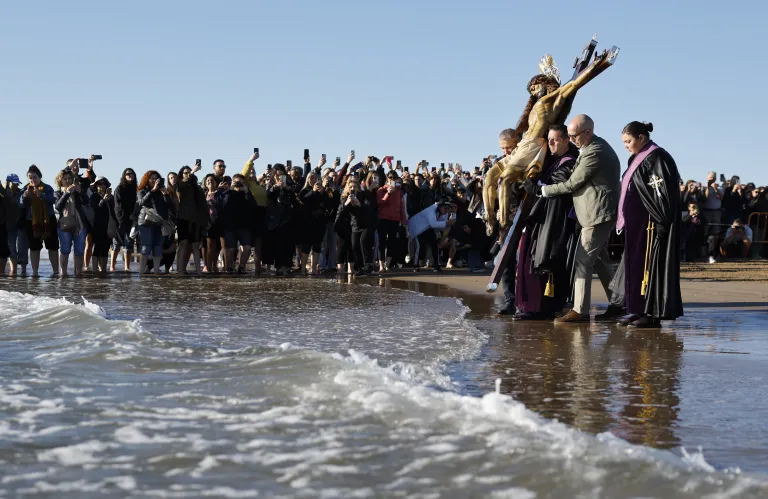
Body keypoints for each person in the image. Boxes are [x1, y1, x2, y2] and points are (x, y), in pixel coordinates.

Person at [524, 114, 621, 323]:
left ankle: (580, 311)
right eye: (569, 135)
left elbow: (571, 184)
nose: (572, 140)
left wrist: (541, 191)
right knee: (601, 262)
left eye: (574, 136)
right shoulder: (591, 147)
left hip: (596, 214)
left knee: (582, 261)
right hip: (593, 214)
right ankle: (620, 303)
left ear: (588, 132)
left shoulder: (595, 152)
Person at [615, 121, 683, 328]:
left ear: (642, 138)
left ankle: (651, 312)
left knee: (649, 266)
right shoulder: (636, 158)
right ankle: (636, 308)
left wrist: (662, 220)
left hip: (652, 224)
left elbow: (662, 193)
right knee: (635, 266)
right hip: (637, 225)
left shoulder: (657, 158)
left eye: (628, 141)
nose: (625, 145)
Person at [514, 124, 578, 320]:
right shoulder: (553, 162)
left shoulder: (569, 163)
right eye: (549, 139)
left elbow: (557, 188)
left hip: (554, 221)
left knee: (545, 261)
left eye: (555, 139)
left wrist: (535, 187)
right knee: (529, 259)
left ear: (566, 140)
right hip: (541, 219)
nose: (550, 143)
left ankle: (540, 307)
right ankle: (528, 305)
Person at [20, 165, 60, 277]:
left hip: (48, 220)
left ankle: (56, 272)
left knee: (52, 246)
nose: (33, 180)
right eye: (30, 177)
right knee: (34, 247)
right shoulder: (25, 188)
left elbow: (53, 200)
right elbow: (21, 205)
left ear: (40, 177)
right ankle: (35, 272)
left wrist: (41, 195)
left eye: (35, 177)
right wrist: (24, 197)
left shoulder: (47, 188)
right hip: (32, 221)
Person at [54, 169, 89, 277]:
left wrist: (80, 192)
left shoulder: (78, 190)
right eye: (65, 179)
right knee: (65, 249)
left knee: (79, 250)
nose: (68, 180)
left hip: (79, 224)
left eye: (69, 178)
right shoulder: (58, 192)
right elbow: (58, 207)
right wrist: (66, 193)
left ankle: (78, 273)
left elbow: (86, 202)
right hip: (64, 224)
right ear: (60, 181)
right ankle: (63, 273)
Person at [137, 170, 174, 275]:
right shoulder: (142, 191)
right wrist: (152, 190)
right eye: (152, 178)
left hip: (160, 222)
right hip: (146, 222)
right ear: (147, 180)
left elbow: (170, 205)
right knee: (146, 247)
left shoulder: (162, 191)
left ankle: (156, 272)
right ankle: (141, 272)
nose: (154, 180)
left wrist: (166, 194)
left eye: (156, 178)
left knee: (158, 247)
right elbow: (141, 202)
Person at [407, 201, 456, 272]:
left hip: (428, 228)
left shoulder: (444, 213)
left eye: (448, 209)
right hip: (417, 228)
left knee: (435, 245)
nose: (447, 210)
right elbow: (433, 223)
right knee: (420, 246)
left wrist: (448, 224)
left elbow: (441, 226)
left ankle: (437, 265)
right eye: (445, 208)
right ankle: (415, 265)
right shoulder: (431, 210)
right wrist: (446, 223)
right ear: (439, 207)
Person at [376, 170, 407, 273]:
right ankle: (381, 265)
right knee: (382, 242)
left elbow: (401, 207)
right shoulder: (381, 190)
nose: (392, 180)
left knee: (392, 242)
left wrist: (404, 221)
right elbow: (380, 203)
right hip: (383, 218)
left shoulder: (399, 191)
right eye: (390, 178)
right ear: (387, 178)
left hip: (395, 219)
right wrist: (388, 193)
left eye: (394, 178)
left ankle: (387, 265)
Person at [110, 168, 137, 272]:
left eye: (132, 174)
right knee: (116, 244)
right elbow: (117, 206)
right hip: (120, 221)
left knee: (129, 244)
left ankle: (127, 266)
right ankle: (112, 266)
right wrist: (120, 220)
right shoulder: (119, 188)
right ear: (124, 176)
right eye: (128, 174)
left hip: (131, 220)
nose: (130, 175)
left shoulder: (135, 188)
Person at [89, 176, 117, 275]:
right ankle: (95, 270)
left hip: (108, 225)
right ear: (96, 186)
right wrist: (103, 200)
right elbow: (95, 209)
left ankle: (103, 270)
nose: (102, 185)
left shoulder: (111, 197)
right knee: (97, 247)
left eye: (104, 183)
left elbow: (114, 211)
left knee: (105, 248)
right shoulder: (94, 196)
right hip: (97, 226)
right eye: (99, 184)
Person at [2, 175, 27, 276]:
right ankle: (9, 271)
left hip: (18, 225)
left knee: (18, 249)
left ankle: (19, 271)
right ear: (8, 182)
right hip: (7, 225)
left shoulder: (20, 192)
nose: (16, 185)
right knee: (9, 249)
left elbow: (22, 205)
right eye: (14, 183)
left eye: (17, 183)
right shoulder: (3, 193)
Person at [702, 171, 724, 263]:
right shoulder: (703, 186)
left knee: (715, 233)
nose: (711, 179)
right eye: (710, 178)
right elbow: (705, 198)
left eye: (713, 178)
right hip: (706, 211)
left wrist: (716, 189)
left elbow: (721, 197)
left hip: (716, 212)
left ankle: (713, 255)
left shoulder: (719, 187)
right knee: (705, 233)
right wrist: (708, 187)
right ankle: (704, 253)